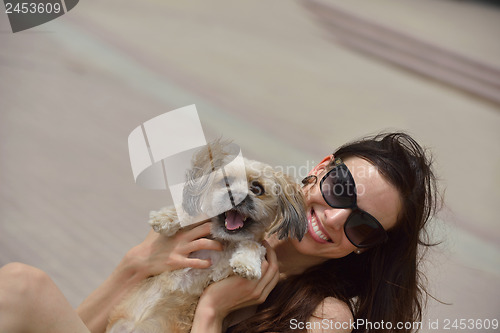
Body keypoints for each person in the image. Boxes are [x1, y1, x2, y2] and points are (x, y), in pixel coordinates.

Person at [0, 132, 439, 333]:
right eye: (341, 190)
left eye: (363, 226)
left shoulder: (325, 319)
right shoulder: (213, 229)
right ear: (322, 169)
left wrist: (211, 311)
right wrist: (136, 265)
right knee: (23, 286)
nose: (336, 219)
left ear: (368, 248)